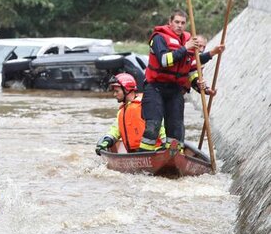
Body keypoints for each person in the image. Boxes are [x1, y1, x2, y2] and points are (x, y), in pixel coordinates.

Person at [139, 10, 224, 152]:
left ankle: (172, 158)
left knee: (176, 130)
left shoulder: (188, 41)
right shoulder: (159, 38)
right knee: (153, 126)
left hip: (175, 90)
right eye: (177, 22)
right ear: (170, 22)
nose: (179, 25)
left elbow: (191, 66)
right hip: (155, 88)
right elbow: (164, 61)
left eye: (183, 23)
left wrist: (212, 54)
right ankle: (143, 158)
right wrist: (186, 47)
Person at [96, 73, 165, 154]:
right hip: (133, 153)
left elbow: (161, 126)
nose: (114, 94)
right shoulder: (121, 111)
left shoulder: (144, 106)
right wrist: (107, 140)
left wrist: (165, 146)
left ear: (127, 90)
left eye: (117, 91)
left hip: (152, 152)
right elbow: (115, 130)